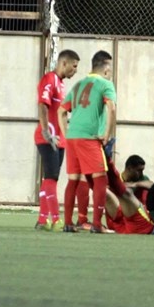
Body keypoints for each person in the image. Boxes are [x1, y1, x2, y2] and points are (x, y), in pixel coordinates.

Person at [58, 50, 116, 234]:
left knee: (73, 179)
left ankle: (68, 223)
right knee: (101, 179)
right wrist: (107, 133)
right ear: (106, 71)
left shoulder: (78, 84)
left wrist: (65, 133)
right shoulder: (106, 84)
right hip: (89, 137)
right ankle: (97, 225)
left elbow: (61, 111)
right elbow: (111, 108)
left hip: (73, 137)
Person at [33, 50, 80, 231]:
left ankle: (42, 220)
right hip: (48, 138)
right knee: (52, 176)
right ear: (64, 63)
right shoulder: (50, 79)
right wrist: (46, 131)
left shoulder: (60, 84)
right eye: (74, 66)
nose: (75, 71)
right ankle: (57, 219)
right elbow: (42, 105)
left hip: (59, 140)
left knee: (50, 178)